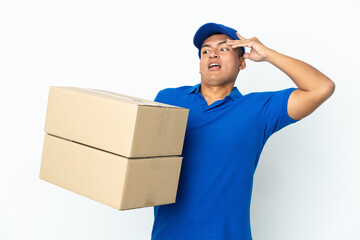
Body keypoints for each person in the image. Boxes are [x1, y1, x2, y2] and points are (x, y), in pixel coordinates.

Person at [150, 22, 335, 240]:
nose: (213, 55)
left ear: (242, 62)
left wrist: (269, 55)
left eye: (224, 48)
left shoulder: (258, 109)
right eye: (205, 51)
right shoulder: (168, 99)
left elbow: (321, 87)